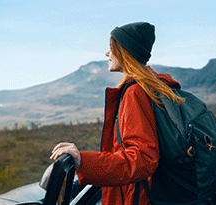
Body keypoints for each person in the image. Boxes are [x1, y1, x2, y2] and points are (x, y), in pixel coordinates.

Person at [50, 22, 185, 205]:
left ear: (124, 51)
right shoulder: (157, 86)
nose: (107, 54)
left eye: (111, 48)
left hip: (138, 199)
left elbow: (142, 158)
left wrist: (83, 160)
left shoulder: (135, 92)